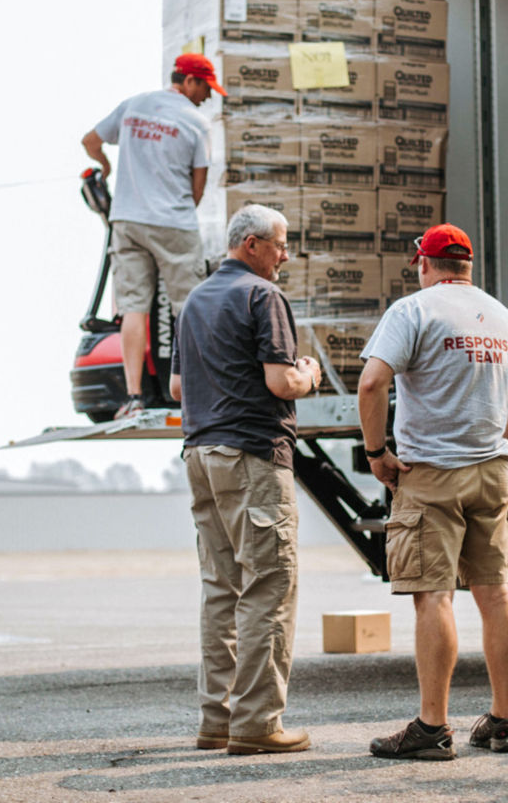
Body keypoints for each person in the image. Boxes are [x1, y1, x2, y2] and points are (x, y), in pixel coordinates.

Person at [169, 204, 321, 755]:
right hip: (253, 456)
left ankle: (217, 719)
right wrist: (308, 373)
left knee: (220, 589)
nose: (286, 255)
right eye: (281, 244)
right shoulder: (263, 296)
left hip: (201, 455)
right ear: (251, 244)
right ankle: (258, 724)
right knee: (269, 587)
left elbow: (180, 390)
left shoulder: (194, 301)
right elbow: (281, 381)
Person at [358, 222, 508, 761]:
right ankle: (504, 719)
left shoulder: (413, 310)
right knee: (495, 595)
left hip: (432, 475)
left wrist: (377, 453)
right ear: (468, 264)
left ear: (424, 263)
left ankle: (432, 727)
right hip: (492, 471)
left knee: (434, 596)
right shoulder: (500, 315)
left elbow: (373, 382)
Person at [82, 53, 227, 418]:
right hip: (173, 223)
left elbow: (90, 141)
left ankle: (133, 398)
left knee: (133, 309)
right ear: (189, 81)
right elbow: (198, 188)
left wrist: (106, 165)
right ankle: (198, 392)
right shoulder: (196, 123)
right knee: (190, 309)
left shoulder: (134, 106)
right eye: (205, 89)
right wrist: (174, 209)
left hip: (127, 221)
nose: (206, 98)